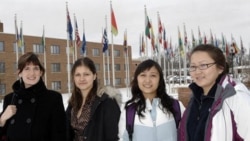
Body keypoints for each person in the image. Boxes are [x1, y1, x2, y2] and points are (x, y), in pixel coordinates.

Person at [178, 44, 250, 141]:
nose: (197, 71)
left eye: (203, 65)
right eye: (193, 66)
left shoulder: (237, 98)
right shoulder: (195, 99)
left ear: (220, 68)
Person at [0, 52, 67, 141]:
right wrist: (2, 119)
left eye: (36, 68)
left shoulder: (53, 98)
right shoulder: (10, 99)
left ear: (41, 72)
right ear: (19, 73)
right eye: (27, 68)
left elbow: (60, 135)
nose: (32, 73)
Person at [119, 59, 185, 141]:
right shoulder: (129, 112)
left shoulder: (176, 107)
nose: (147, 80)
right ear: (137, 79)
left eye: (153, 75)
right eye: (143, 75)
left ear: (160, 79)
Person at [66, 57, 121, 141]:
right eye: (78, 75)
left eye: (86, 74)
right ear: (73, 77)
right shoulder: (73, 103)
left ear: (94, 76)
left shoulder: (107, 102)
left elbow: (112, 137)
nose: (82, 79)